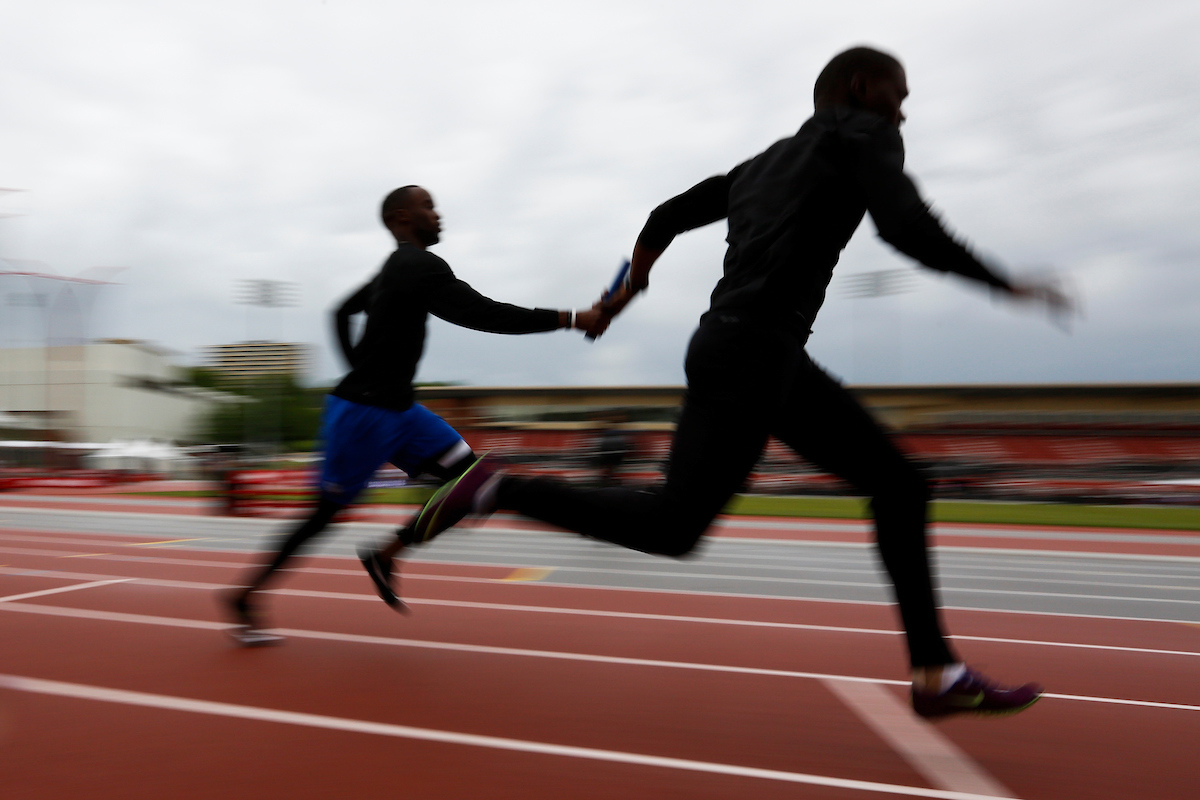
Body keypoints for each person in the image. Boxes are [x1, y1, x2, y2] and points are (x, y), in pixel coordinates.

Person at [416, 47, 1073, 718]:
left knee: (894, 486)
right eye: (898, 93)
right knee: (680, 525)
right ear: (859, 87)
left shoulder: (756, 168)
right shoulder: (866, 131)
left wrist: (625, 295)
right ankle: (496, 485)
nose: (904, 108)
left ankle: (936, 670)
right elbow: (905, 227)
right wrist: (1003, 282)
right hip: (757, 351)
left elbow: (663, 218)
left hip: (740, 348)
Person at [224, 185, 600, 645]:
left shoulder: (394, 269)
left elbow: (342, 311)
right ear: (401, 218)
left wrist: (359, 363)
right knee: (324, 515)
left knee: (475, 482)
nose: (438, 214)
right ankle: (244, 596)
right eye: (428, 206)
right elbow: (482, 313)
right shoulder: (415, 265)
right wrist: (571, 318)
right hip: (363, 414)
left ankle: (387, 552)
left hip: (401, 410)